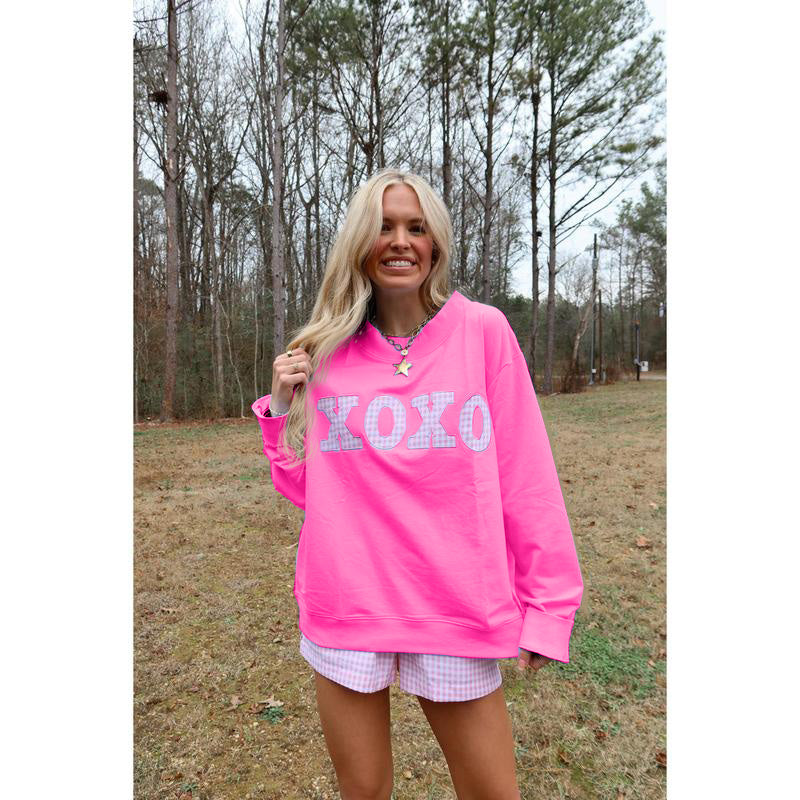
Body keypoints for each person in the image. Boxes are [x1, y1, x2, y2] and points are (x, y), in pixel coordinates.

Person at [252, 168, 584, 800]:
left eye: (416, 227)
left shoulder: (482, 332)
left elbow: (527, 478)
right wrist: (279, 408)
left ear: (435, 244)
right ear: (361, 244)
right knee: (364, 792)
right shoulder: (327, 351)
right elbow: (309, 492)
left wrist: (548, 607)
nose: (400, 241)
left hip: (457, 605)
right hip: (348, 603)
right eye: (383, 227)